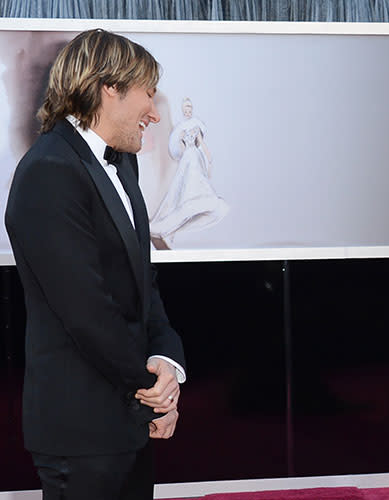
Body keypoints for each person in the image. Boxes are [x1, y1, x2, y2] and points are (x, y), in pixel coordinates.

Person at [5, 29, 186, 500]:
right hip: (79, 432)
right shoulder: (49, 172)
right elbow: (86, 313)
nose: (153, 111)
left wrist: (167, 363)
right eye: (147, 93)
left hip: (126, 421)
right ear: (110, 88)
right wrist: (152, 394)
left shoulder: (124, 164)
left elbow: (143, 284)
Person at [150, 97, 229, 249]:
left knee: (196, 185)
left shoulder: (196, 125)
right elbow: (179, 148)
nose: (187, 112)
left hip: (194, 157)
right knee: (183, 187)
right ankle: (170, 230)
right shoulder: (180, 128)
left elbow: (202, 144)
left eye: (189, 109)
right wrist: (181, 141)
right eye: (185, 110)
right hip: (187, 158)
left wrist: (208, 157)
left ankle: (174, 229)